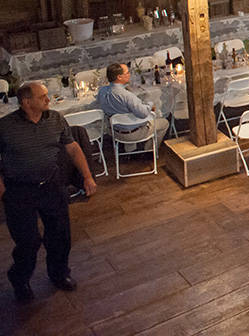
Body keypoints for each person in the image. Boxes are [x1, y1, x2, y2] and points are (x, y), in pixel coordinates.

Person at [0, 82, 97, 302]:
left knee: (60, 234)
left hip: (51, 185)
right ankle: (20, 279)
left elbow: (72, 147)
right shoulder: (5, 126)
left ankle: (59, 273)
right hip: (19, 189)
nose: (48, 99)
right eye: (42, 96)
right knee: (28, 241)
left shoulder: (55, 119)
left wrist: (87, 176)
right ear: (26, 103)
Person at [97, 63, 171, 149]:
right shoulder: (126, 95)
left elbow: (97, 105)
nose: (129, 75)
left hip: (115, 132)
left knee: (129, 116)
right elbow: (143, 113)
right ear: (119, 77)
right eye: (127, 73)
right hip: (132, 133)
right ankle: (149, 151)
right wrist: (150, 104)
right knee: (164, 123)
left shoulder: (102, 91)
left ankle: (130, 151)